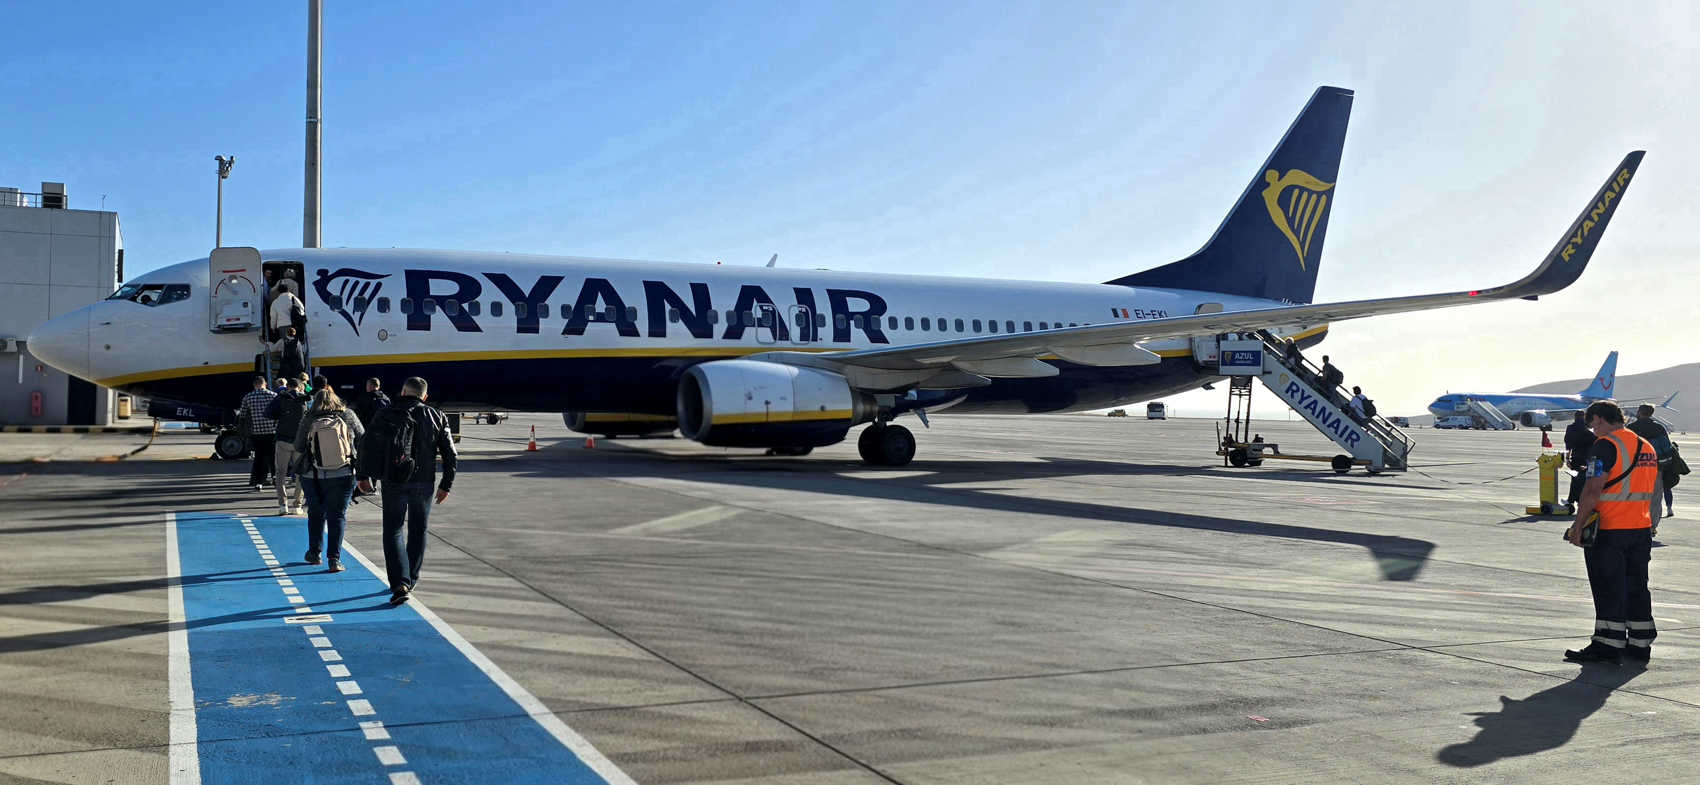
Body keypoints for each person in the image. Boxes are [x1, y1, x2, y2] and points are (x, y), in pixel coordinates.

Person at [1563, 401, 1659, 665]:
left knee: (1608, 586)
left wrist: (1578, 526)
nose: (1593, 430)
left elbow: (1593, 490)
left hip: (1610, 529)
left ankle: (1607, 645)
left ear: (1600, 419)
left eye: (1593, 424)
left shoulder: (1606, 445)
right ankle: (1640, 643)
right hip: (1640, 528)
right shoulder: (1645, 446)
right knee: (1637, 587)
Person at [358, 376, 457, 605]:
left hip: (393, 479)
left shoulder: (385, 413)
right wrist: (446, 484)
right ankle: (410, 578)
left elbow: (366, 445)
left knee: (393, 530)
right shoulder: (437, 415)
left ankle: (399, 583)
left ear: (403, 392)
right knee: (418, 529)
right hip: (423, 481)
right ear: (425, 396)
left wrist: (363, 476)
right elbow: (450, 454)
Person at [293, 386, 364, 572]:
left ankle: (314, 553)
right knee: (337, 515)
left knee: (315, 513)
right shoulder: (347, 415)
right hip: (343, 473)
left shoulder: (309, 417)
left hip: (313, 475)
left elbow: (299, 446)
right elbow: (363, 438)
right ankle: (334, 559)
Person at [265, 376, 311, 515]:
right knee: (300, 474)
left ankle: (282, 504)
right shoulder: (305, 399)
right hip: (300, 441)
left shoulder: (281, 398)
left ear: (288, 386)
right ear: (299, 387)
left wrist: (281, 416)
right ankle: (297, 504)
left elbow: (268, 413)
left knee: (280, 473)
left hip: (283, 440)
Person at [1627, 404, 1676, 519]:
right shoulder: (1659, 428)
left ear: (1639, 412)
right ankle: (1653, 523)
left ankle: (1637, 518)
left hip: (1636, 466)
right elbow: (1668, 447)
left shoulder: (1632, 427)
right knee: (1656, 496)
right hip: (1656, 466)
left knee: (1635, 494)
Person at [236, 376, 279, 489]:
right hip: (272, 431)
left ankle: (259, 481)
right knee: (273, 455)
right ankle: (275, 477)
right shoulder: (273, 395)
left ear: (254, 385)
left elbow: (242, 415)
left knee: (260, 456)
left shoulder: (248, 397)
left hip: (257, 432)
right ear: (265, 384)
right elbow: (279, 412)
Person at [1563, 411, 1595, 508]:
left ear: (1575, 417)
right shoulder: (1589, 430)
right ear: (1584, 417)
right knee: (1586, 481)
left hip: (1576, 458)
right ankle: (1581, 500)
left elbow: (1568, 446)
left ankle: (1572, 500)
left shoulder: (1570, 428)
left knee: (1575, 480)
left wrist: (1567, 458)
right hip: (1589, 459)